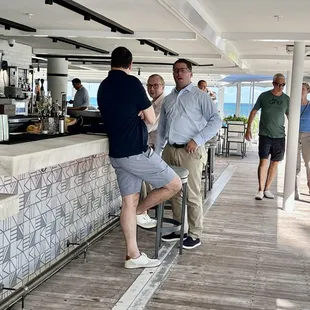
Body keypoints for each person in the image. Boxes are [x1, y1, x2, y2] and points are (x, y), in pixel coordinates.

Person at [97, 46, 182, 269]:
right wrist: (140, 113)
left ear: (111, 63)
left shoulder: (103, 86)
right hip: (135, 151)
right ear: (130, 64)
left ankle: (132, 255)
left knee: (128, 200)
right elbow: (151, 117)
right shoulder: (132, 83)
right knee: (173, 184)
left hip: (117, 153)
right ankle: (142, 211)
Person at [156, 59, 222, 249]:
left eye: (183, 70)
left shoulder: (200, 97)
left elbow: (215, 121)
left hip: (190, 151)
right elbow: (161, 128)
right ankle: (179, 230)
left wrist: (198, 139)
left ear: (190, 74)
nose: (179, 73)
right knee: (174, 192)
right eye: (176, 70)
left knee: (192, 194)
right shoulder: (168, 98)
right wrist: (159, 150)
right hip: (170, 149)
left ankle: (195, 234)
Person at [245, 73, 290, 200]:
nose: (280, 87)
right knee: (263, 161)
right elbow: (254, 111)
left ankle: (267, 189)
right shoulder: (264, 96)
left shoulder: (287, 99)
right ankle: (260, 189)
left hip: (280, 136)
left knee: (275, 163)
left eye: (283, 85)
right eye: (277, 84)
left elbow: (290, 115)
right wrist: (248, 129)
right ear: (273, 83)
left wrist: (295, 133)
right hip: (265, 135)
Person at [139, 74, 166, 229]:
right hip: (151, 147)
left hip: (158, 149)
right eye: (149, 86)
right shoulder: (152, 103)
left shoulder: (163, 104)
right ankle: (143, 211)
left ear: (163, 86)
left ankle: (142, 211)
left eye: (156, 85)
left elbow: (150, 125)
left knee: (145, 179)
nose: (152, 88)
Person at [295, 82, 310, 200]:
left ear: (308, 91)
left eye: (303, 89)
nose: (301, 90)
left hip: (308, 136)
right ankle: (295, 190)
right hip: (295, 136)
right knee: (296, 164)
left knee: (309, 164)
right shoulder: (293, 105)